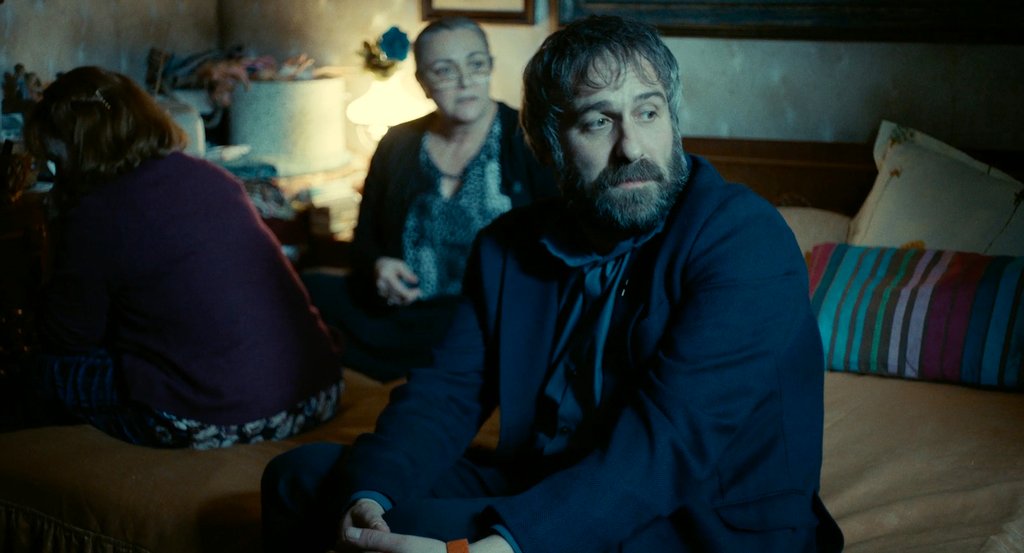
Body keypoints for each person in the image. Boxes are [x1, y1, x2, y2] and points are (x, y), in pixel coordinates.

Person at [262, 15, 844, 553]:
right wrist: (372, 496)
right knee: (303, 479)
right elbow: (446, 394)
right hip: (547, 482)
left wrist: (505, 546)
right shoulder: (506, 245)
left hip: (694, 517)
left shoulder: (743, 238)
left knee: (404, 530)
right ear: (547, 146)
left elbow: (666, 445)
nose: (631, 148)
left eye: (648, 112)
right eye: (598, 121)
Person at [7, 66, 343, 449]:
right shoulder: (211, 176)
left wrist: (57, 236)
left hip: (229, 417)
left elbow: (69, 337)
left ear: (75, 149)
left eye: (55, 159)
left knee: (41, 370)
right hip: (318, 393)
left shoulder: (97, 212)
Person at [301, 17, 557, 382]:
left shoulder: (531, 141)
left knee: (472, 334)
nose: (465, 81)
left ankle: (437, 364)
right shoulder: (397, 143)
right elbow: (364, 242)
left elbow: (559, 249)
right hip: (403, 311)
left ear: (490, 66)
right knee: (305, 286)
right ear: (422, 82)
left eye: (476, 64)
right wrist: (379, 266)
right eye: (444, 71)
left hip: (488, 317)